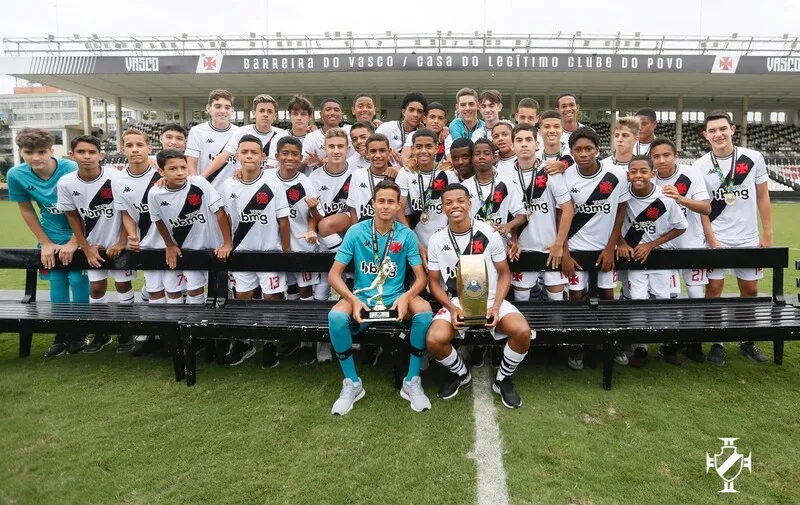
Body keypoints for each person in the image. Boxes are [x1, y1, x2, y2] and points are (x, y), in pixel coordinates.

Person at [326, 179, 433, 415]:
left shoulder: (405, 235)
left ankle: (411, 381)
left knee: (424, 312)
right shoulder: (356, 231)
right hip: (362, 297)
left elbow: (421, 278)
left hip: (395, 296)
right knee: (335, 318)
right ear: (373, 203)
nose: (385, 206)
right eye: (381, 201)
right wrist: (353, 300)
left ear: (398, 206)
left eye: (391, 202)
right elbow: (334, 275)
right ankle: (352, 383)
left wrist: (407, 297)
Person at [426, 183, 533, 409]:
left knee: (522, 331)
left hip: (491, 299)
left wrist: (495, 307)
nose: (455, 206)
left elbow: (504, 274)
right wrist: (453, 308)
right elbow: (433, 282)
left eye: (460, 201)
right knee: (434, 339)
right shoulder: (436, 240)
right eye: (448, 202)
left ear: (469, 204)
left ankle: (503, 378)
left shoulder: (488, 233)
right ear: (443, 208)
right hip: (457, 301)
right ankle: (460, 373)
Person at [694, 110, 773, 365]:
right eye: (712, 130)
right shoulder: (700, 165)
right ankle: (717, 342)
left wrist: (767, 233)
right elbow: (702, 207)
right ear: (706, 135)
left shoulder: (753, 158)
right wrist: (711, 239)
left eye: (722, 129)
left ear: (732, 129)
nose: (718, 134)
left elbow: (763, 196)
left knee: (749, 290)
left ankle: (746, 339)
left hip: (748, 237)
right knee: (714, 289)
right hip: (717, 238)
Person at [7, 127, 89, 356]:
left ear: (52, 150)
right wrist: (45, 242)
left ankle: (82, 331)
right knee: (56, 278)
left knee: (76, 277)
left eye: (41, 151)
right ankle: (61, 332)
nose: (35, 157)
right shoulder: (16, 174)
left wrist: (75, 242)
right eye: (28, 152)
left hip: (78, 232)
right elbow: (27, 211)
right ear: (20, 152)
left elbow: (85, 209)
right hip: (50, 233)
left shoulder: (71, 168)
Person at [561, 127, 629, 370]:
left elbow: (621, 211)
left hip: (603, 250)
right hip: (576, 251)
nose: (583, 153)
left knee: (607, 295)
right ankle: (577, 343)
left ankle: (610, 340)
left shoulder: (616, 175)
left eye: (588, 148)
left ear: (597, 150)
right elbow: (562, 216)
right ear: (570, 152)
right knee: (576, 297)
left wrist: (611, 247)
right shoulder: (567, 176)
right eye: (578, 149)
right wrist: (565, 253)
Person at [57, 135, 133, 353]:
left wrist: (121, 241)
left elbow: (127, 212)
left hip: (119, 244)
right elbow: (72, 217)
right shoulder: (66, 183)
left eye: (92, 152)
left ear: (101, 155)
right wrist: (85, 246)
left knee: (122, 286)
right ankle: (101, 333)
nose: (87, 156)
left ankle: (126, 332)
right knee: (97, 287)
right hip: (92, 247)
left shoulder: (116, 178)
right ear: (72, 156)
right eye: (81, 152)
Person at [222, 134, 291, 367]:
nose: (249, 156)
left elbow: (283, 219)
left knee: (271, 299)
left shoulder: (273, 184)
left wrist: (286, 252)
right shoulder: (229, 184)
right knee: (243, 298)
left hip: (269, 252)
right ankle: (245, 342)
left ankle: (271, 343)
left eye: (254, 152)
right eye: (244, 152)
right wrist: (227, 243)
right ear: (237, 155)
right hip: (242, 253)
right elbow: (226, 217)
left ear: (263, 156)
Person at [617, 155, 688, 367]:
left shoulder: (665, 198)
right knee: (638, 302)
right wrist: (622, 242)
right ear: (628, 175)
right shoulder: (623, 197)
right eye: (633, 172)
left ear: (653, 174)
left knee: (661, 300)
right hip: (635, 258)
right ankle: (641, 347)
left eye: (643, 171)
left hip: (659, 257)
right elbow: (614, 222)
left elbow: (681, 226)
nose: (638, 176)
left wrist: (652, 244)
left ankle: (664, 344)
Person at [650, 137, 711, 364]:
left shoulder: (691, 174)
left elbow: (706, 207)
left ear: (675, 154)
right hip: (664, 248)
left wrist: (680, 198)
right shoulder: (649, 178)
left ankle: (695, 342)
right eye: (656, 156)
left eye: (666, 155)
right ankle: (670, 343)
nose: (662, 160)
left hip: (691, 245)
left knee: (695, 296)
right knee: (670, 298)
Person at [148, 149, 233, 307]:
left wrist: (227, 243)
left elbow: (220, 211)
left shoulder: (198, 183)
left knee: (221, 291)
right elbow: (157, 220)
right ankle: (191, 326)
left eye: (183, 167)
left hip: (212, 247)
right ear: (161, 171)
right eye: (173, 169)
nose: (180, 173)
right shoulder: (155, 193)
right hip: (186, 249)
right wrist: (170, 245)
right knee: (194, 290)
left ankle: (213, 326)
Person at [507, 123, 574, 303]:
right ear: (512, 145)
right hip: (523, 249)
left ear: (537, 144)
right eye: (519, 140)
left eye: (529, 140)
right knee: (522, 298)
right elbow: (507, 215)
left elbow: (567, 209)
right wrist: (513, 238)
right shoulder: (505, 176)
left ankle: (553, 331)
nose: (524, 144)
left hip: (550, 248)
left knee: (556, 297)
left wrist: (559, 244)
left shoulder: (549, 170)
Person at [113, 128, 164, 356]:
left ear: (149, 148)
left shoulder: (161, 174)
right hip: (144, 244)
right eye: (130, 145)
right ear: (122, 149)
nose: (135, 149)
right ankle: (153, 333)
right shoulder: (118, 179)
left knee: (175, 290)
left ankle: (170, 333)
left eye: (139, 145)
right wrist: (131, 236)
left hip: (170, 242)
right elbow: (125, 212)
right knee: (154, 289)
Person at [274, 136, 325, 365]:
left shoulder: (306, 182)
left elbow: (313, 214)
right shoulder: (267, 179)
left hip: (301, 245)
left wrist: (312, 229)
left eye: (295, 154)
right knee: (290, 291)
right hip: (276, 247)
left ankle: (307, 342)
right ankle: (294, 334)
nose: (290, 158)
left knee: (305, 292)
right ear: (277, 156)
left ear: (300, 156)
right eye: (285, 153)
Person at [396, 128, 460, 267]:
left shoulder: (447, 173)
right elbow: (399, 211)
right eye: (419, 147)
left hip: (444, 239)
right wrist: (415, 243)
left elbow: (457, 209)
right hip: (415, 239)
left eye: (429, 146)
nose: (423, 151)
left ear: (437, 148)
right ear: (412, 149)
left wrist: (446, 239)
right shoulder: (405, 172)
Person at [202, 94, 287, 179]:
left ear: (275, 116)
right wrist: (202, 177)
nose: (265, 114)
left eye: (270, 111)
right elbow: (223, 156)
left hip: (270, 182)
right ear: (254, 113)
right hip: (244, 181)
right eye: (261, 110)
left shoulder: (282, 135)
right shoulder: (242, 132)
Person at [185, 89, 239, 191]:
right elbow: (191, 165)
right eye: (218, 106)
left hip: (233, 192)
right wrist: (197, 187)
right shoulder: (197, 131)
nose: (223, 111)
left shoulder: (240, 133)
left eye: (227, 107)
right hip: (207, 190)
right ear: (208, 108)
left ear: (232, 110)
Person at [347, 133, 396, 223]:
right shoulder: (357, 175)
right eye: (373, 151)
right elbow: (353, 209)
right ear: (367, 153)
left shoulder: (396, 176)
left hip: (390, 233)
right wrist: (355, 233)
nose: (377, 155)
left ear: (389, 151)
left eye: (382, 151)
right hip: (363, 232)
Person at [302, 98, 352, 167]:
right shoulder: (311, 138)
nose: (332, 113)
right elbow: (303, 165)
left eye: (336, 110)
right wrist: (315, 162)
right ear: (321, 114)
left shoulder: (350, 134)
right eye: (328, 110)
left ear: (341, 114)